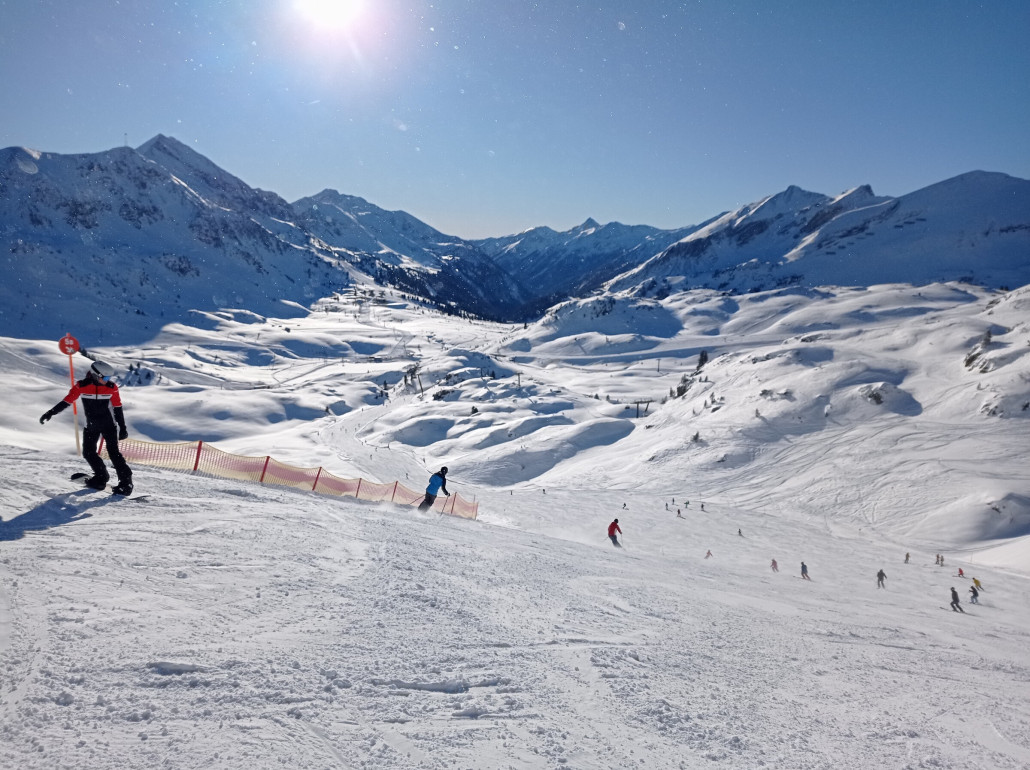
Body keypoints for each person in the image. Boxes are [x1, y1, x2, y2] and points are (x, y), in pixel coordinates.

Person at [39, 360, 133, 495]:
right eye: (105, 378)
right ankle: (101, 477)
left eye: (109, 378)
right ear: (96, 374)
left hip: (109, 426)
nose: (107, 380)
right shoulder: (82, 386)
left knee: (114, 454)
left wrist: (122, 427)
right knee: (88, 453)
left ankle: (126, 484)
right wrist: (51, 412)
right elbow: (67, 400)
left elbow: (118, 408)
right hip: (91, 426)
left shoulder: (111, 387)